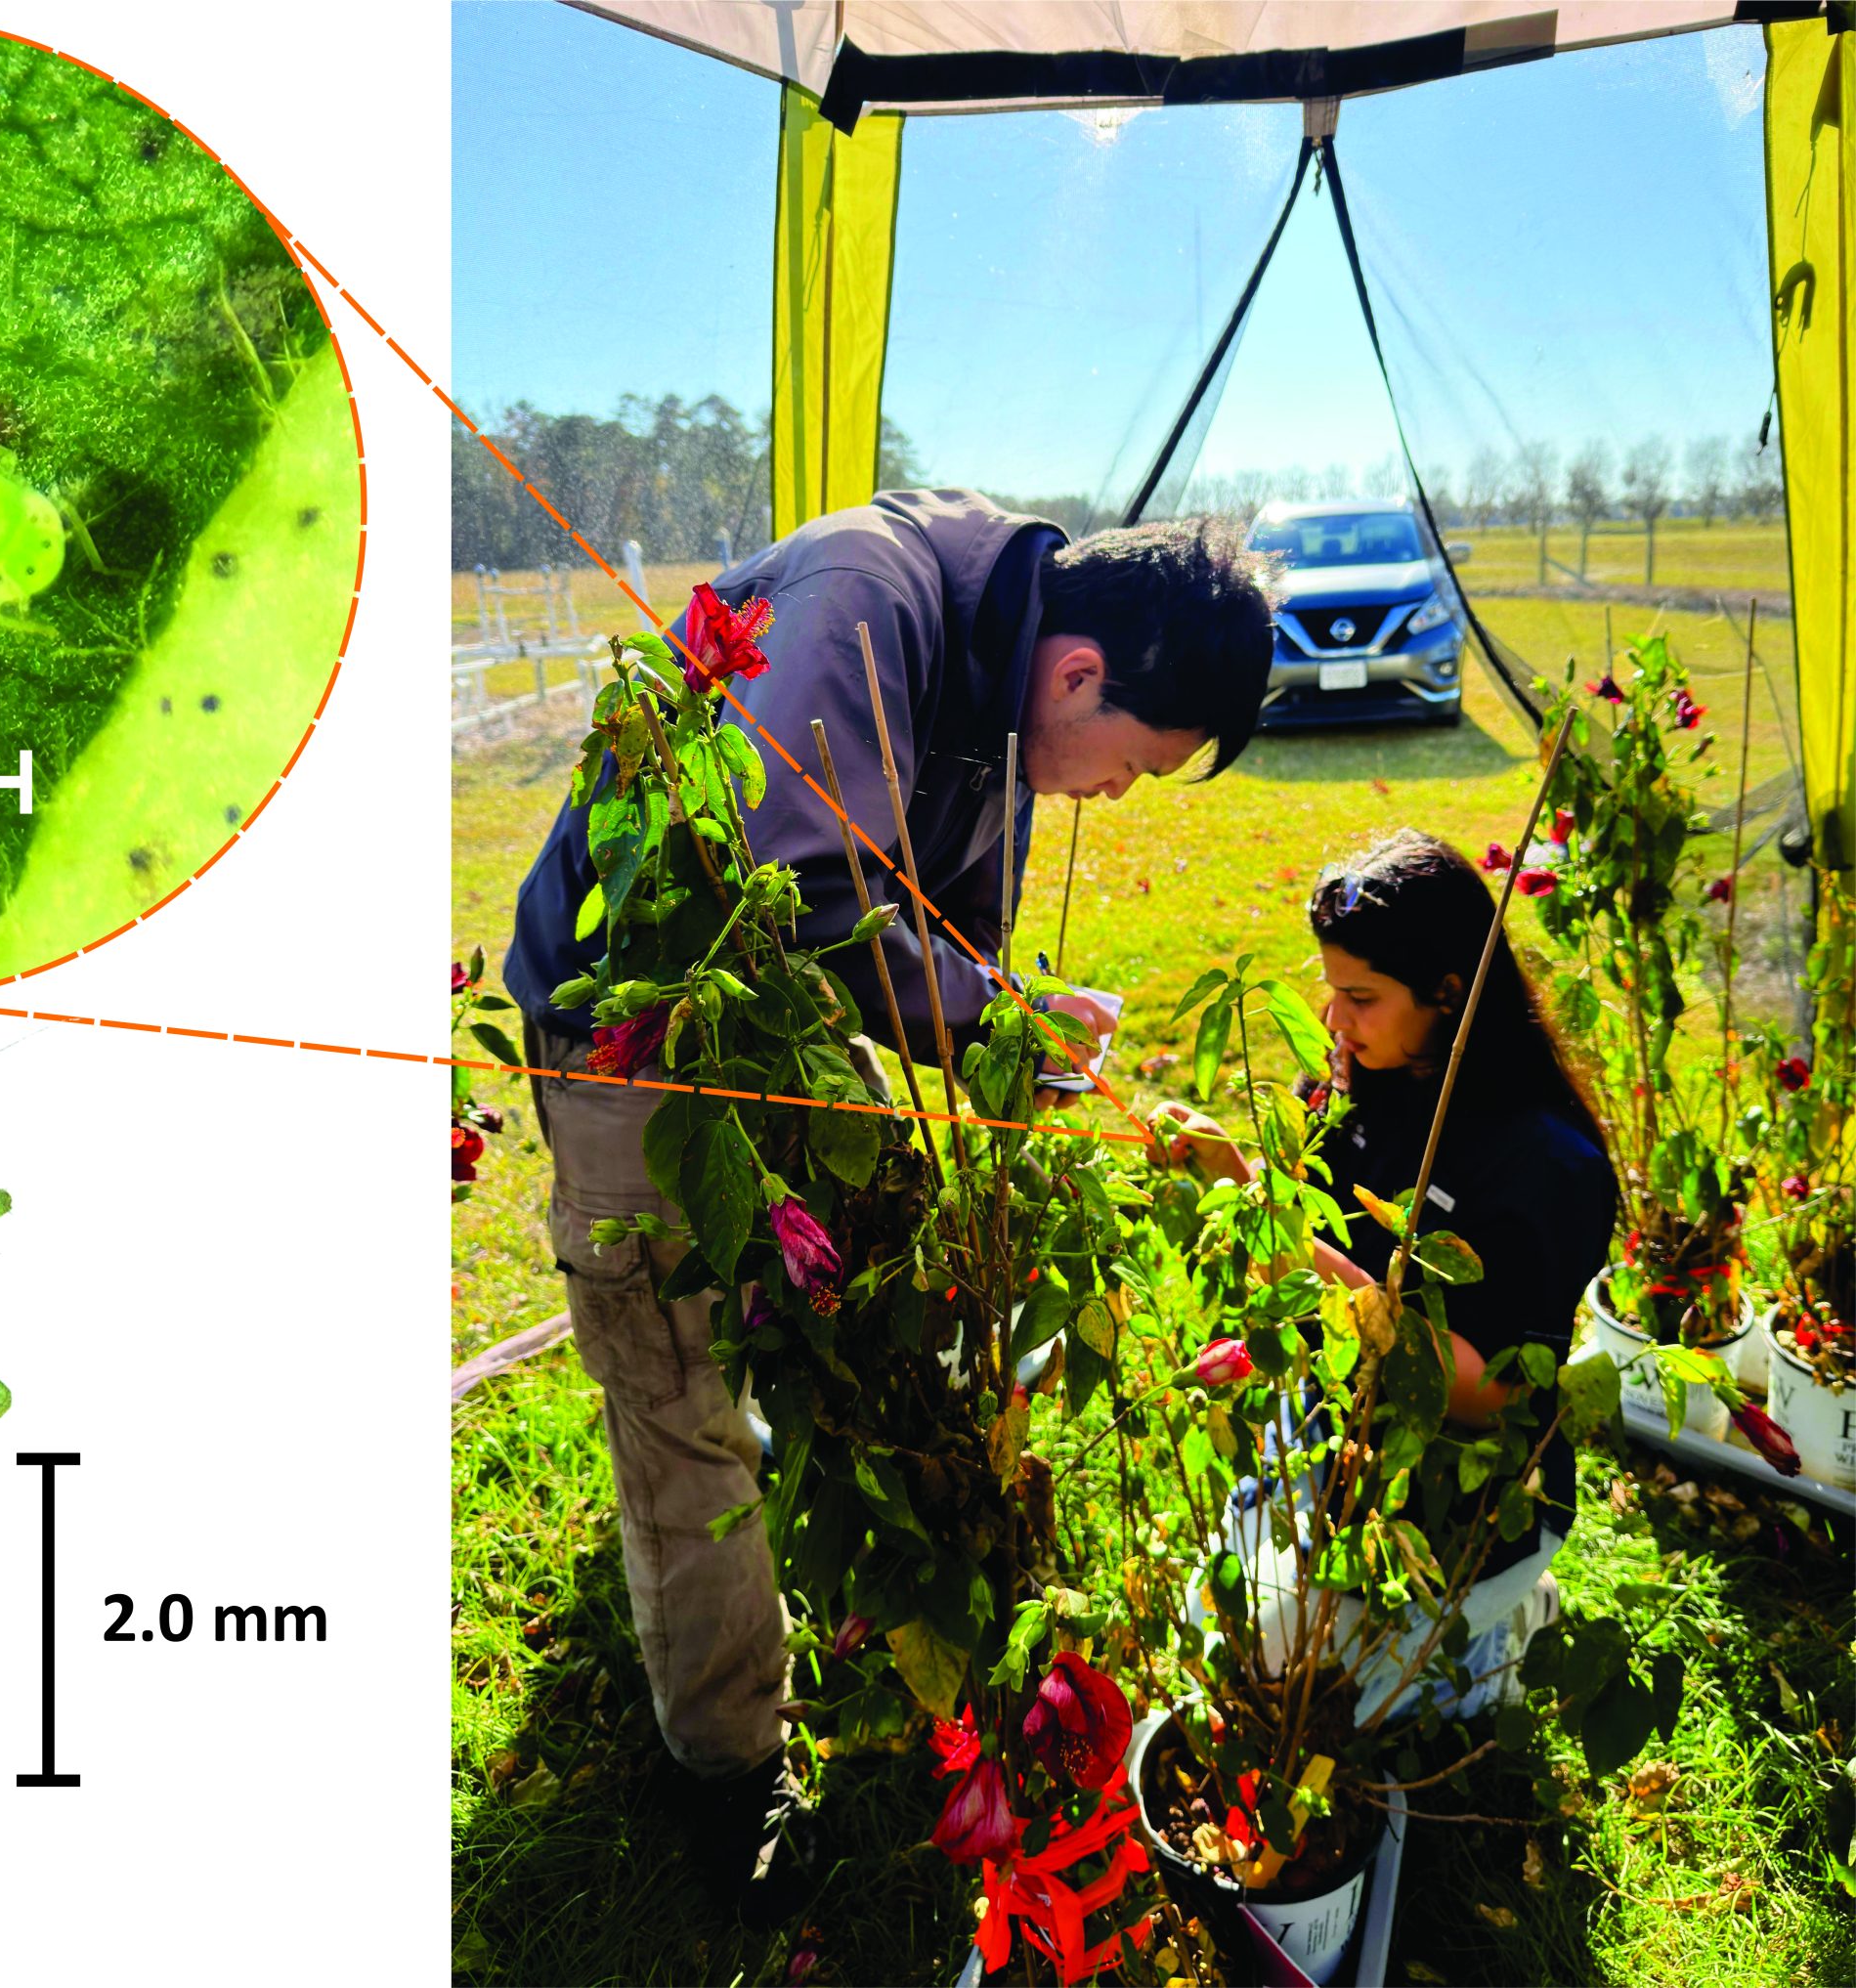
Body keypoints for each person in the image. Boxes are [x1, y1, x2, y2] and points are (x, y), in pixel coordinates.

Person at [503, 491, 1279, 1914]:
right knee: (675, 1389)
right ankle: (730, 1769)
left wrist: (1015, 1018)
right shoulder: (871, 594)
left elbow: (952, 937)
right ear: (1080, 675)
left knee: (854, 1292)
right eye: (1132, 767)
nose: (1112, 797)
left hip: (781, 1025)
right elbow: (804, 887)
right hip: (637, 1025)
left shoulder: (1004, 684)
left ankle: (842, 1582)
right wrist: (992, 1016)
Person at [1154, 828, 1619, 1715]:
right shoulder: (1353, 1078)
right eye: (1331, 990)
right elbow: (1299, 1239)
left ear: (1448, 994)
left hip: (1462, 1490)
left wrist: (1285, 1239)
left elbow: (1487, 1394)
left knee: (1317, 1692)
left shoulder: (1546, 1164)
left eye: (1361, 998)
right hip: (1336, 1436)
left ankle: (1505, 1626)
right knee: (1227, 1636)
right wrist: (1234, 1186)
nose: (1334, 1022)